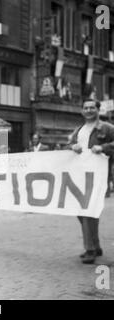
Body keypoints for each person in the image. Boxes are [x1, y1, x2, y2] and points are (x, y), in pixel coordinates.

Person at [68, 99, 114, 264]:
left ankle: (90, 250)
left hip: (97, 177)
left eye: (92, 107)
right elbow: (69, 146)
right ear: (82, 111)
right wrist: (72, 146)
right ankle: (95, 245)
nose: (88, 110)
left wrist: (103, 147)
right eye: (85, 107)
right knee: (82, 212)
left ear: (98, 110)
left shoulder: (107, 128)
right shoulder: (78, 130)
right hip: (79, 176)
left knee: (88, 211)